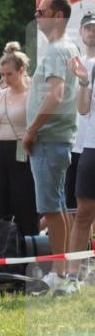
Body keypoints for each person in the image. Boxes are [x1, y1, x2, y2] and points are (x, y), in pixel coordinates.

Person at [25, 0, 81, 288]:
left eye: (41, 10)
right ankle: (66, 272)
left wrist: (32, 129)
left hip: (49, 139)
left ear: (58, 16)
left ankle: (60, 274)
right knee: (58, 207)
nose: (37, 15)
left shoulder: (58, 49)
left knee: (51, 208)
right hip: (55, 139)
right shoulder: (66, 48)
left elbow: (56, 94)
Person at [0, 43, 38, 234]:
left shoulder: (31, 95)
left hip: (21, 149)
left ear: (21, 71)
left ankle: (26, 245)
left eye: (9, 74)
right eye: (2, 74)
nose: (5, 78)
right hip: (0, 150)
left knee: (22, 200)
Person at [68, 41, 94, 279]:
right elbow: (83, 109)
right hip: (91, 147)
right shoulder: (91, 67)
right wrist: (84, 82)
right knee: (84, 211)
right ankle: (73, 274)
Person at [67, 12, 95, 211]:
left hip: (91, 143)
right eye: (88, 28)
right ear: (80, 32)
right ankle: (82, 244)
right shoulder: (76, 62)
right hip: (76, 144)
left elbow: (83, 108)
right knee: (75, 206)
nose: (92, 32)